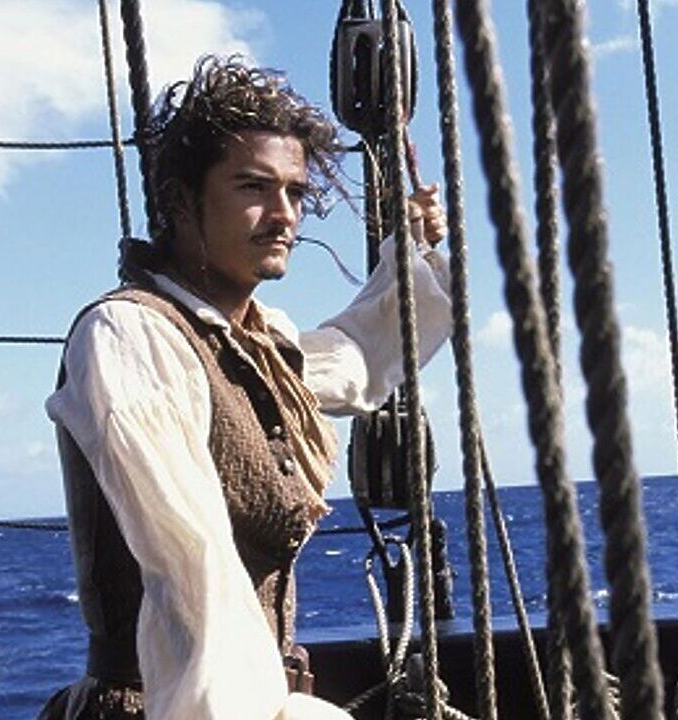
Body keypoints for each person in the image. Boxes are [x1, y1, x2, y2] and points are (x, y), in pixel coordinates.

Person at [39, 55, 451, 719]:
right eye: (254, 188)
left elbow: (352, 357)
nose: (283, 214)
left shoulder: (256, 344)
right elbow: (196, 581)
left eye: (295, 192)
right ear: (181, 200)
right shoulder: (130, 338)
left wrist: (410, 252)